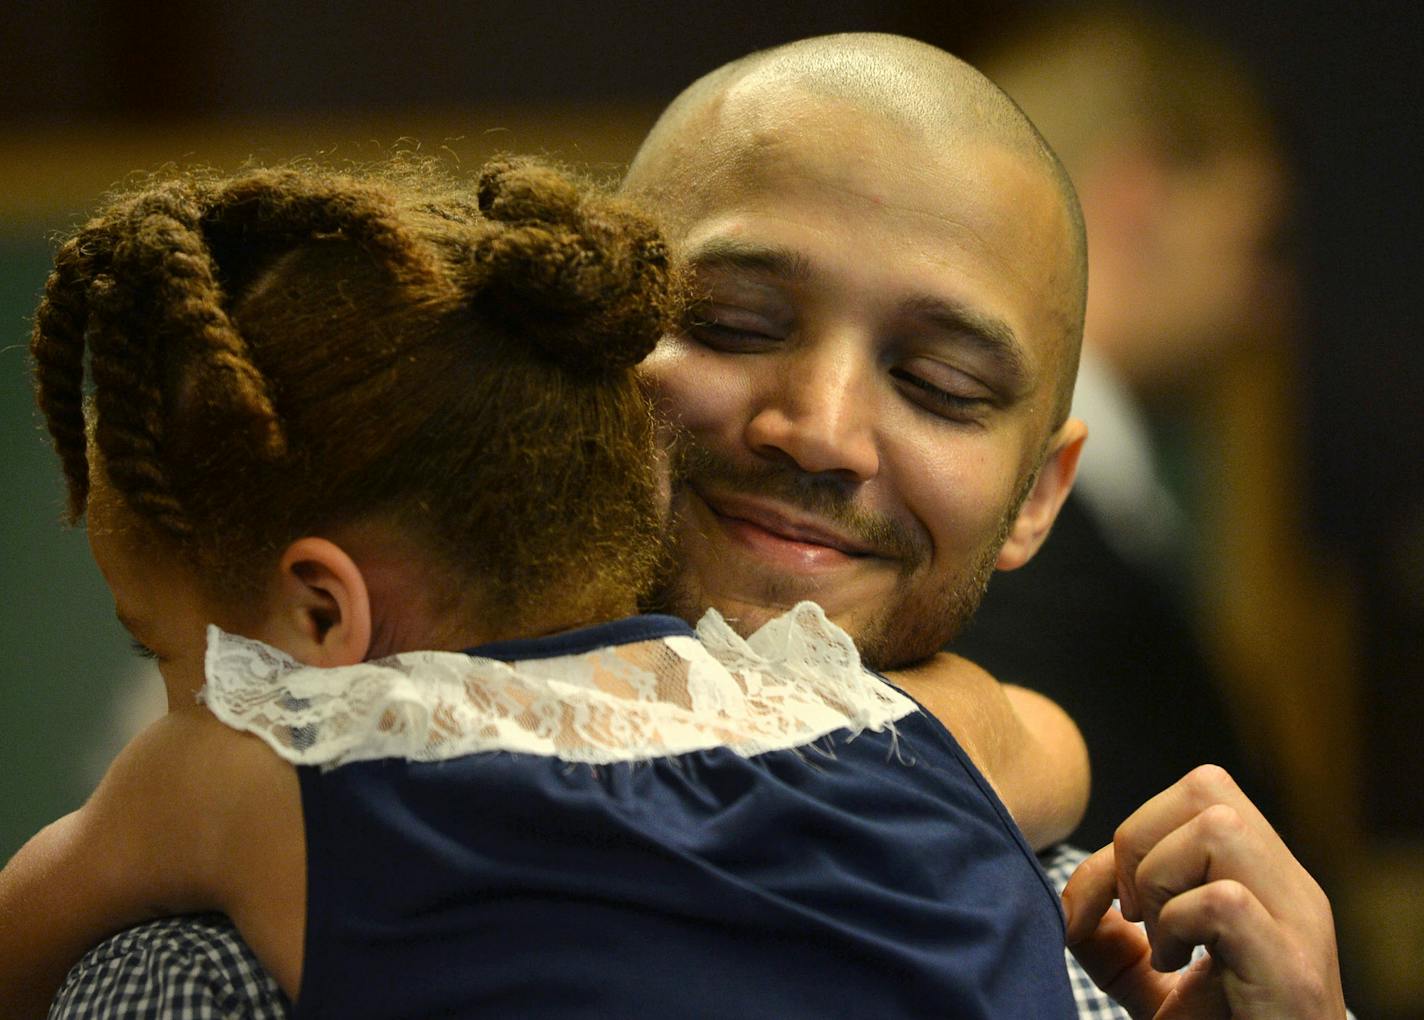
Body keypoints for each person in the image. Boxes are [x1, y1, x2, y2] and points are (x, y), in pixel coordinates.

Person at [44, 32, 1348, 1020]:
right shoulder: (231, 919)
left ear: (1039, 498)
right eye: (730, 324)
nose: (822, 427)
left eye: (940, 384)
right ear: (578, 335)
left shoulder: (1062, 939)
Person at [1, 156, 1085, 1017]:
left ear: (322, 613)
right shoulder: (875, 726)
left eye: (163, 652)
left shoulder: (252, 780)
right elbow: (1044, 746)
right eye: (733, 325)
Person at [949, 3, 1295, 849]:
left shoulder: (1102, 513)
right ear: (1141, 195)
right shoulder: (1011, 535)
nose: (1266, 303)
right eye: (1251, 241)